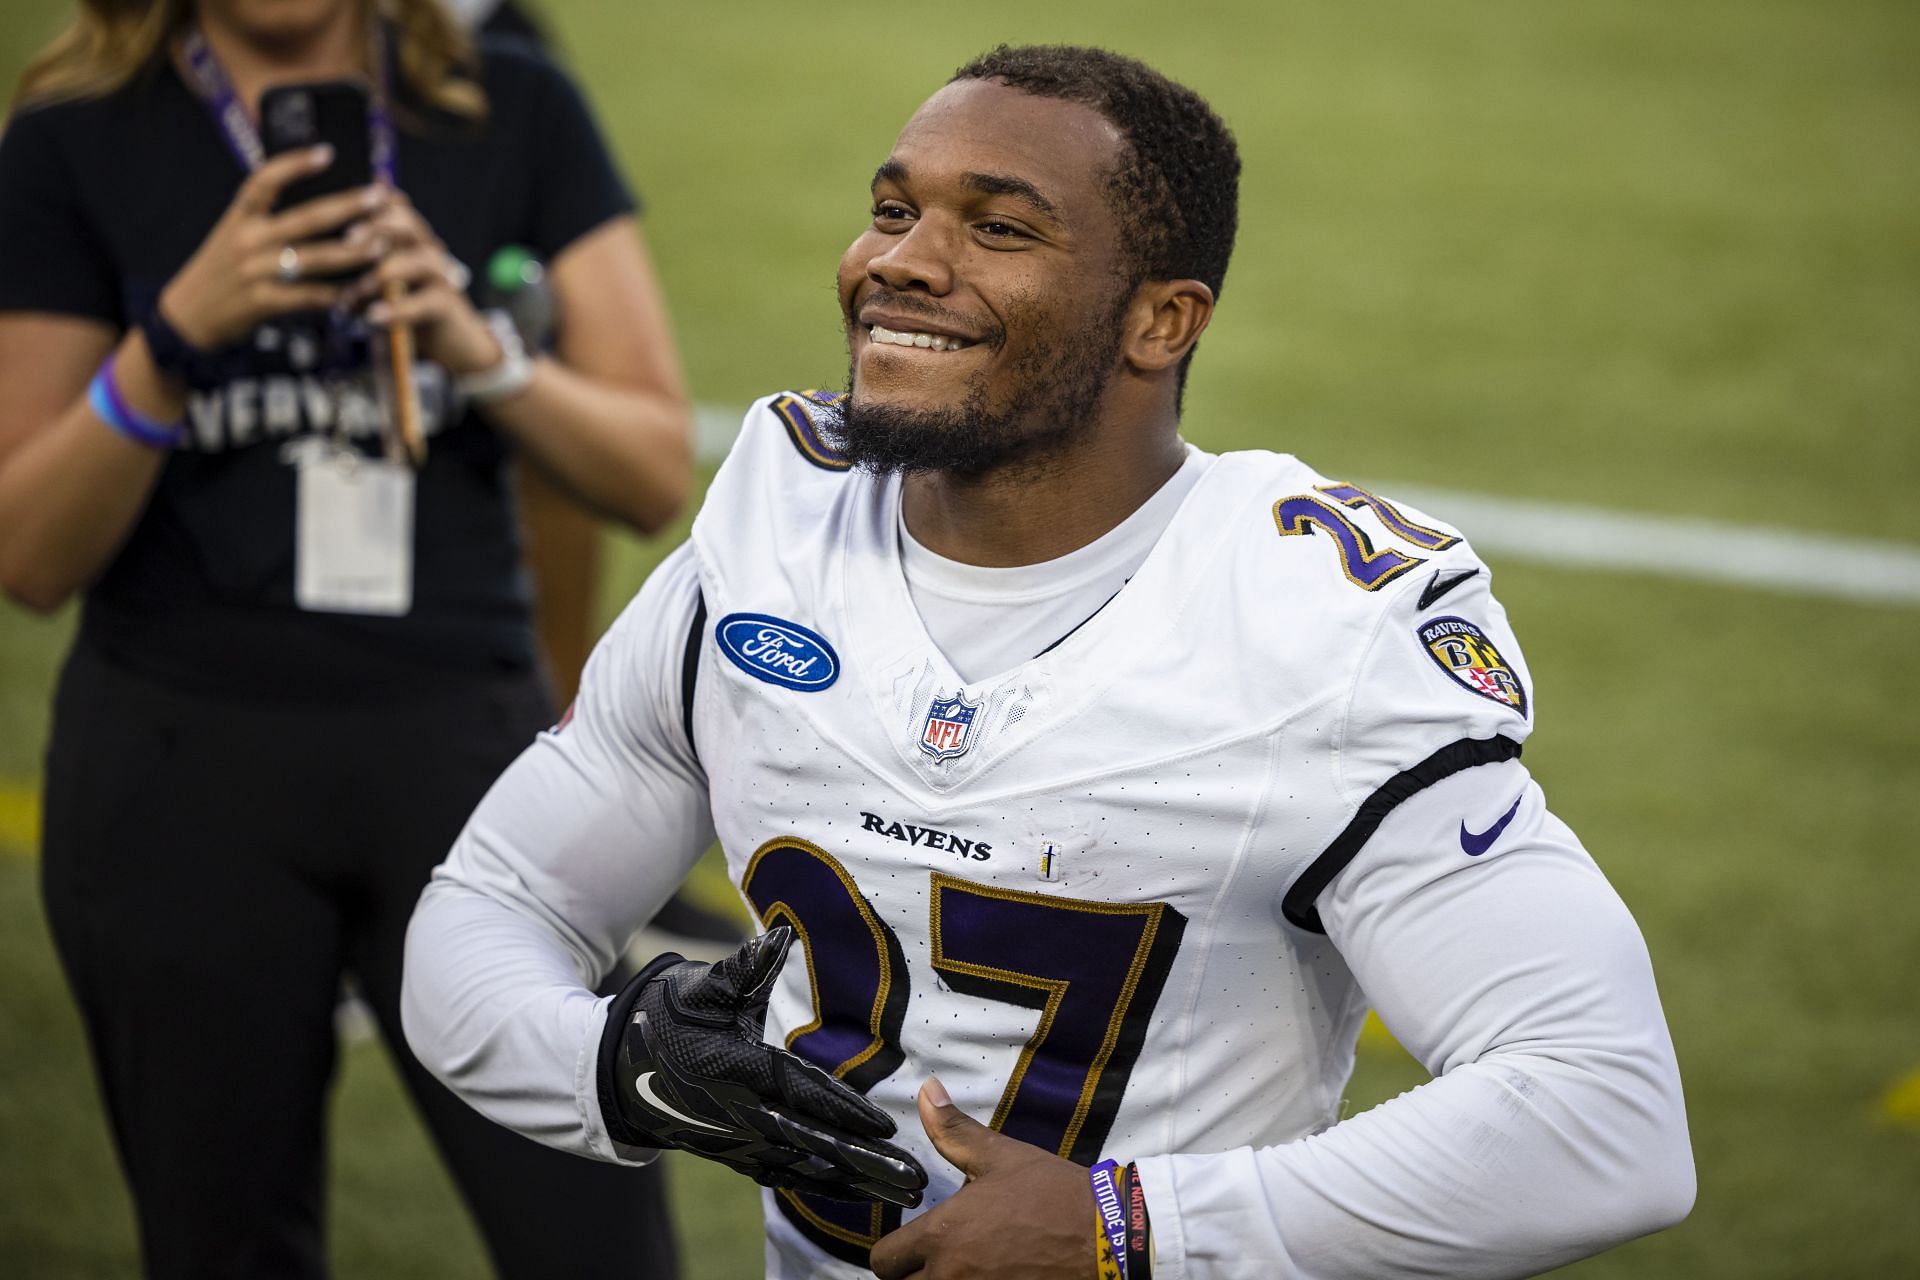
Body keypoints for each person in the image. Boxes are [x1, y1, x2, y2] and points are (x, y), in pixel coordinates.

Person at [402, 43, 1697, 1280]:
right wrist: (611, 1066)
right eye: (892, 209)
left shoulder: (1310, 624)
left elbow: (1602, 1108)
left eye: (999, 227)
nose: (902, 263)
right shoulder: (777, 534)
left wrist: (1134, 1232)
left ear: (1162, 321)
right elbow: (485, 913)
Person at [0, 0, 691, 1275]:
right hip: (176, 767)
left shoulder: (510, 104)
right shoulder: (73, 138)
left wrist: (479, 351)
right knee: (226, 1242)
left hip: (470, 759)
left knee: (599, 1245)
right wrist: (173, 338)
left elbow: (651, 472)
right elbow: (31, 553)